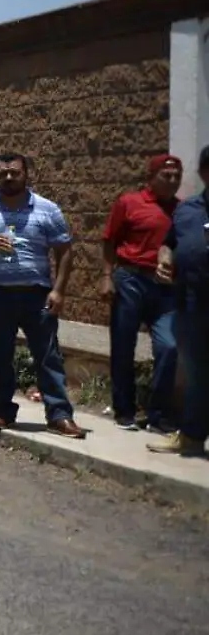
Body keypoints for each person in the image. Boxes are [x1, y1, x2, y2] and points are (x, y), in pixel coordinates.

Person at [0, 153, 85, 438]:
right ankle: (3, 411)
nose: (9, 177)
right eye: (3, 173)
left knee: (48, 357)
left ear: (26, 175)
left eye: (15, 172)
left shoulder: (47, 210)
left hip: (37, 297)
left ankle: (59, 415)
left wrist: (59, 290)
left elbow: (64, 250)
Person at [102, 155, 184, 432]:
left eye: (177, 176)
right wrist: (106, 278)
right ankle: (124, 409)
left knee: (169, 346)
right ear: (152, 176)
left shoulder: (184, 211)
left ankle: (158, 414)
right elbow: (110, 241)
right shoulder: (129, 203)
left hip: (166, 289)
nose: (173, 181)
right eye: (167, 175)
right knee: (124, 346)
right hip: (131, 280)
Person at [151, 145, 209, 457]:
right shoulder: (187, 210)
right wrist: (164, 259)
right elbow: (170, 243)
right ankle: (191, 437)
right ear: (203, 173)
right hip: (191, 306)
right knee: (198, 375)